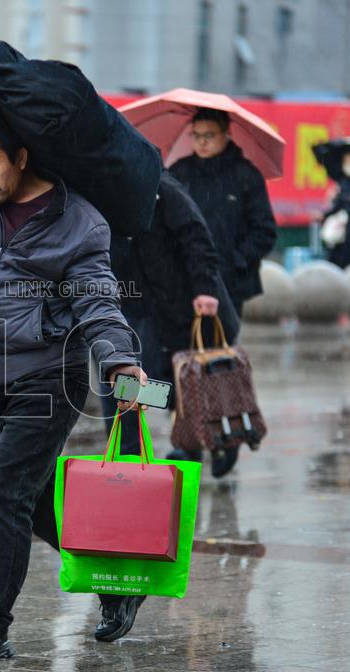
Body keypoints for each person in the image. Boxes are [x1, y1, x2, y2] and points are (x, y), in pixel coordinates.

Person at [0, 44, 149, 663]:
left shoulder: (79, 223)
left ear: (21, 155)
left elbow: (100, 302)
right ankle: (113, 580)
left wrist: (118, 361)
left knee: (2, 496)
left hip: (48, 379)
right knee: (28, 503)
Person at [99, 172, 241, 477]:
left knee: (176, 382)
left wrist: (205, 287)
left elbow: (197, 238)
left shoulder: (161, 188)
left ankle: (213, 439)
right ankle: (129, 456)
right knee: (122, 382)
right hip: (132, 304)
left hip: (181, 304)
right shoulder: (96, 193)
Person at [168, 108, 277, 318]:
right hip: (185, 277)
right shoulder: (179, 173)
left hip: (231, 282)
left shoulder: (246, 176)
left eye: (209, 135)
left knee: (221, 345)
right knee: (185, 346)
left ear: (227, 133)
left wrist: (236, 260)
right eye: (196, 136)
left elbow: (265, 230)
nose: (202, 142)